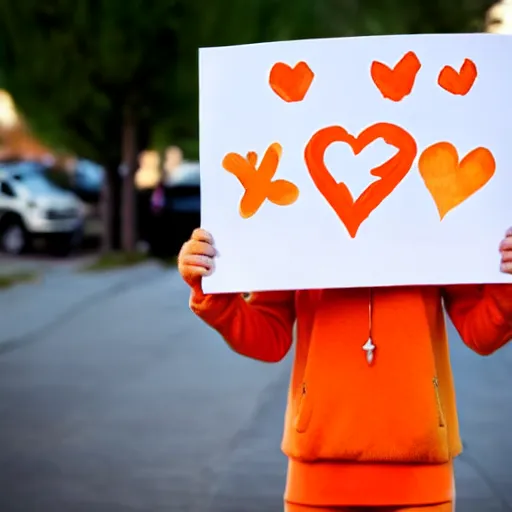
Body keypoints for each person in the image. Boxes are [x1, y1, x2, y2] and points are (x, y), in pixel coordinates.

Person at [177, 227, 512, 512]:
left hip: (420, 473)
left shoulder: (436, 216)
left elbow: (481, 332)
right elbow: (270, 338)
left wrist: (506, 282)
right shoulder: (298, 212)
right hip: (317, 475)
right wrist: (214, 295)